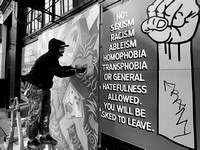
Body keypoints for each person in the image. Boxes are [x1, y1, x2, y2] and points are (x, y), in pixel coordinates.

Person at [23, 38, 86, 149]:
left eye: (63, 48)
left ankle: (44, 136)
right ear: (54, 48)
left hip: (44, 88)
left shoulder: (52, 58)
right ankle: (31, 141)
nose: (63, 50)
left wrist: (72, 68)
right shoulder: (48, 58)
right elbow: (59, 73)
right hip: (35, 88)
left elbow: (58, 69)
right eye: (61, 48)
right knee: (34, 114)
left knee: (46, 112)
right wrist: (75, 71)